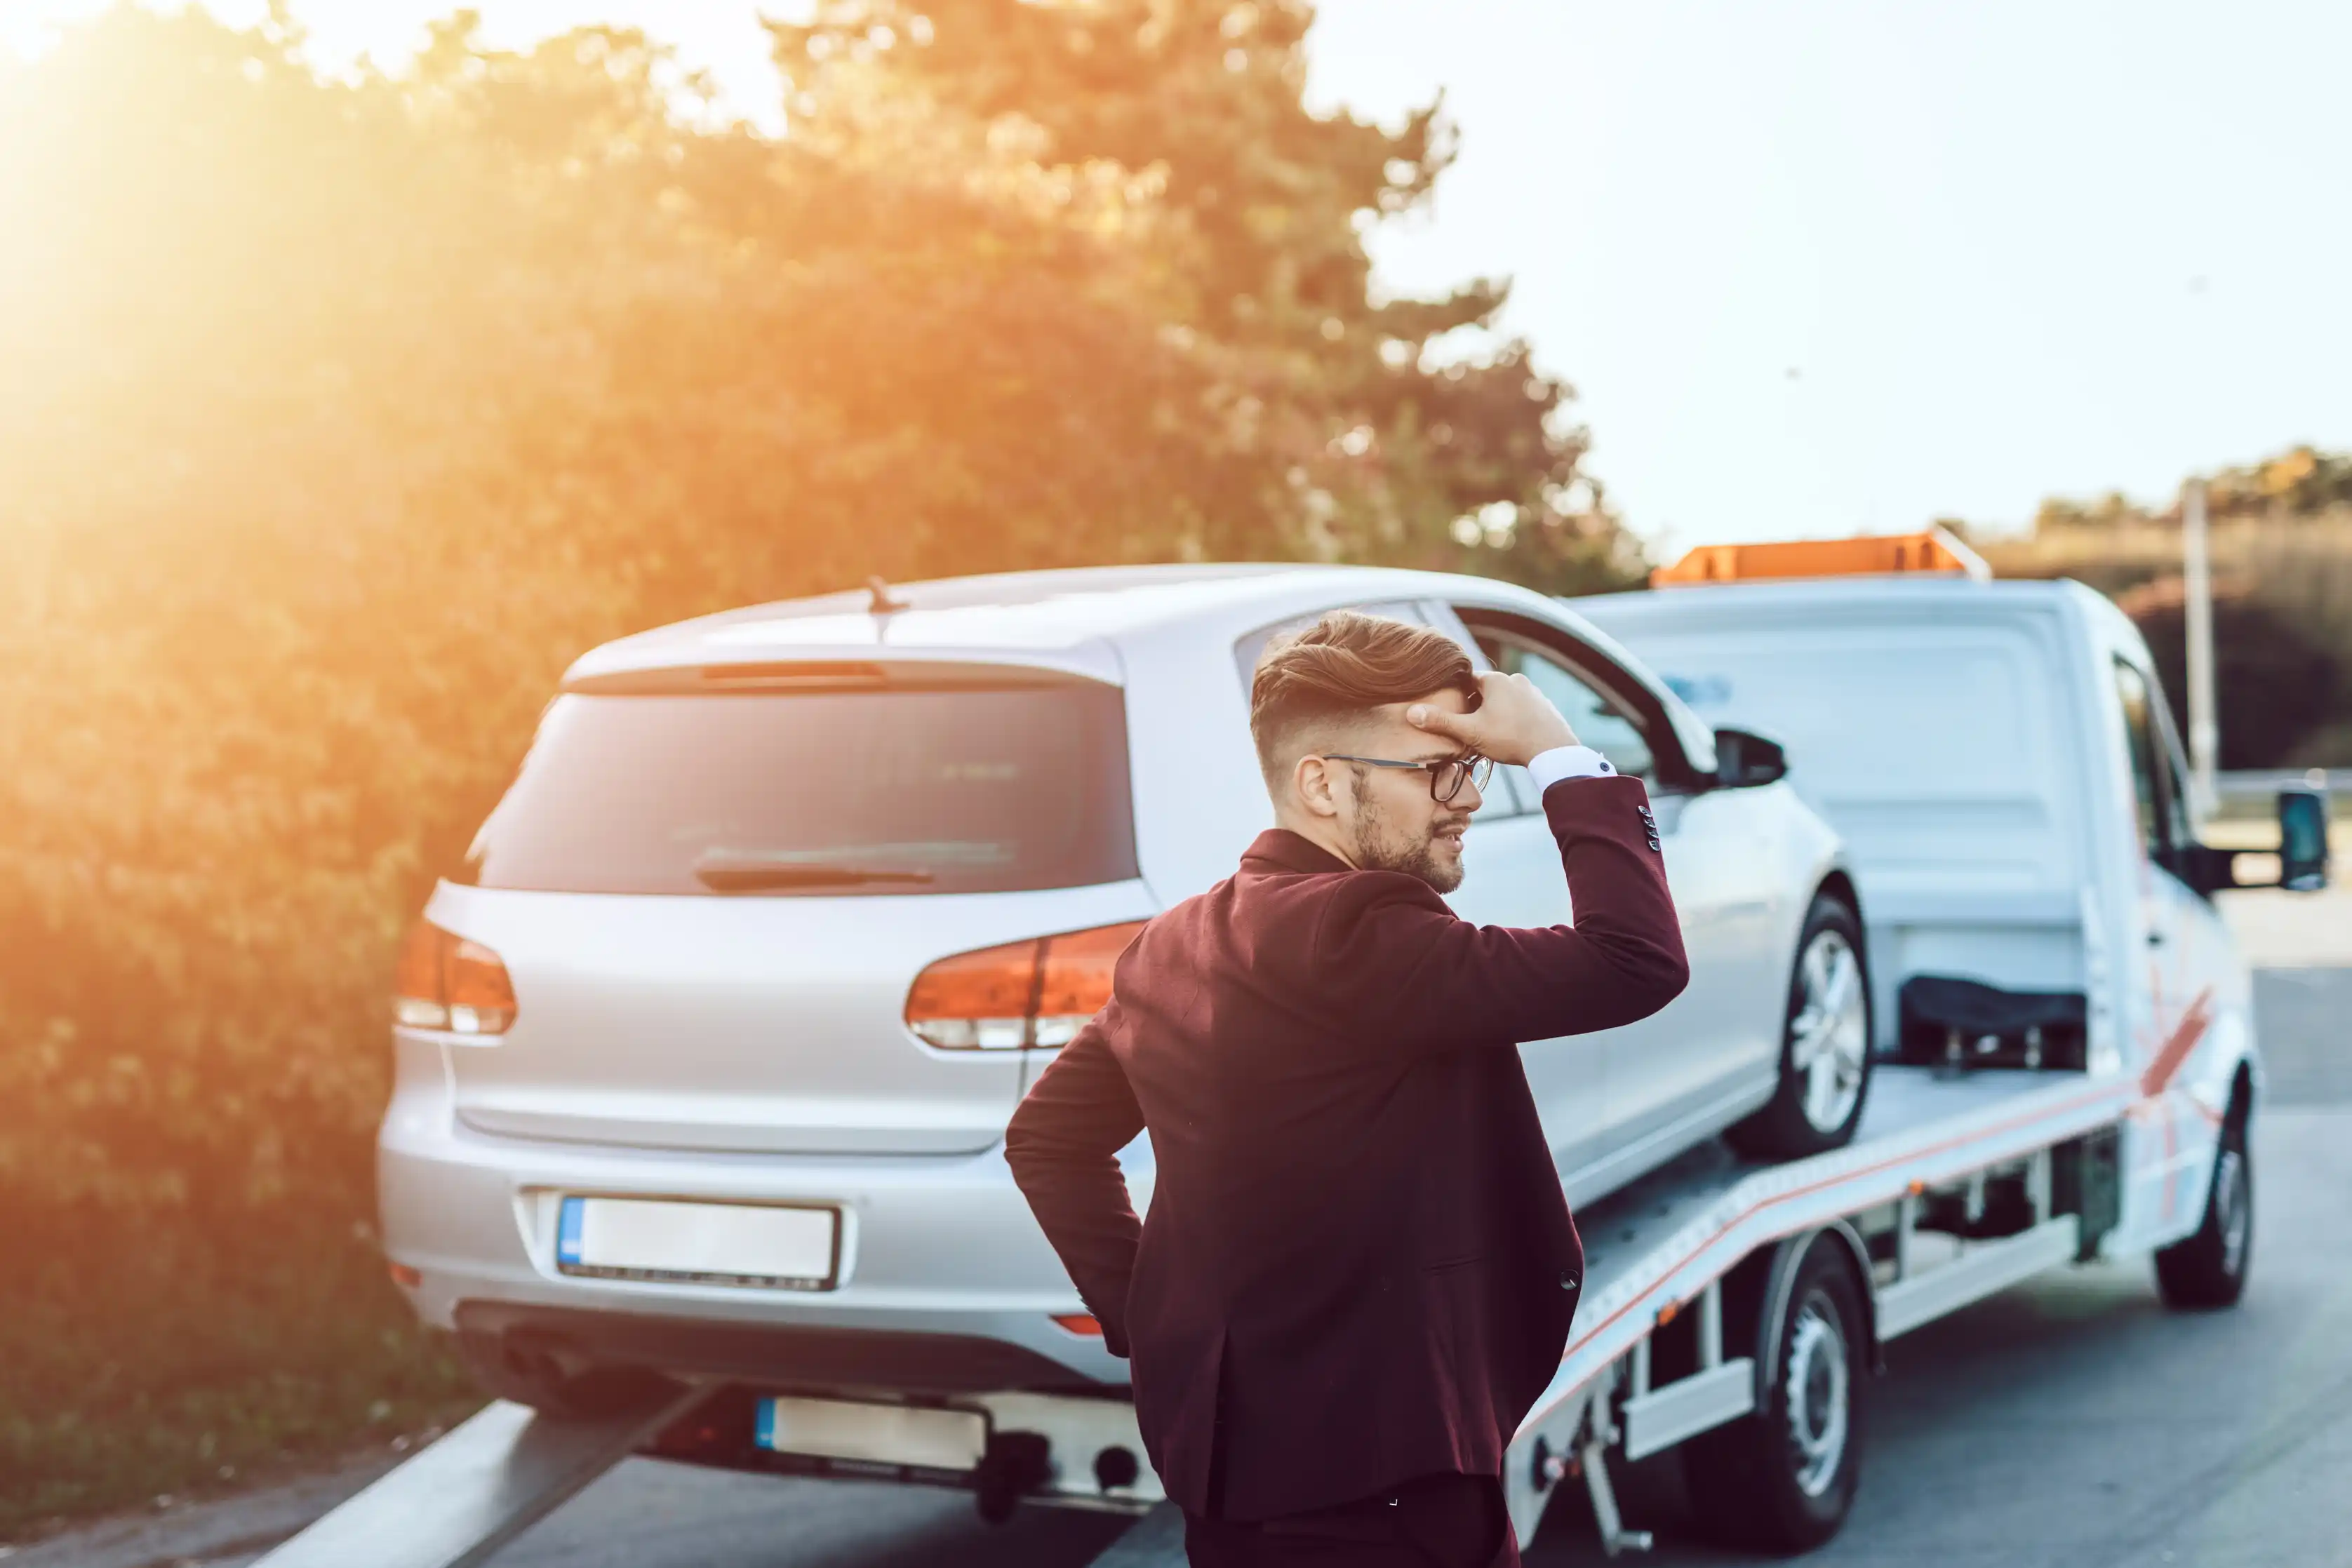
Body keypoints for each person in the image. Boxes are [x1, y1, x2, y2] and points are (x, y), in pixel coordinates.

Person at [1004, 610, 1690, 1567]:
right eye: (1439, 769)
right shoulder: (1363, 930)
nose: (1466, 800)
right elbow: (1634, 960)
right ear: (1321, 782)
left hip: (1232, 1479)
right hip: (1388, 1491)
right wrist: (1558, 753)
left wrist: (1163, 1326)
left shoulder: (1175, 940)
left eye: (1478, 765)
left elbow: (1047, 1140)